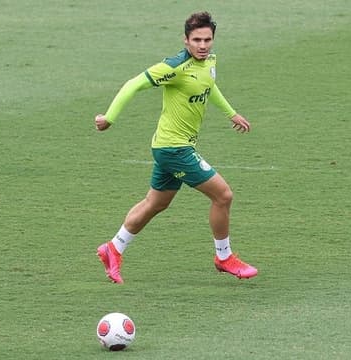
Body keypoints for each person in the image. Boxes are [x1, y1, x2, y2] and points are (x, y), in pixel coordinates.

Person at [95, 11, 258, 284]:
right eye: (197, 40)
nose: (203, 46)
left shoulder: (209, 62)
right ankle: (224, 257)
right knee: (223, 196)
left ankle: (113, 248)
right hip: (174, 149)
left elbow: (209, 85)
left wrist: (231, 113)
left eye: (207, 40)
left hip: (168, 147)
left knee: (155, 203)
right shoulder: (174, 68)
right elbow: (132, 84)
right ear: (186, 41)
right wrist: (108, 118)